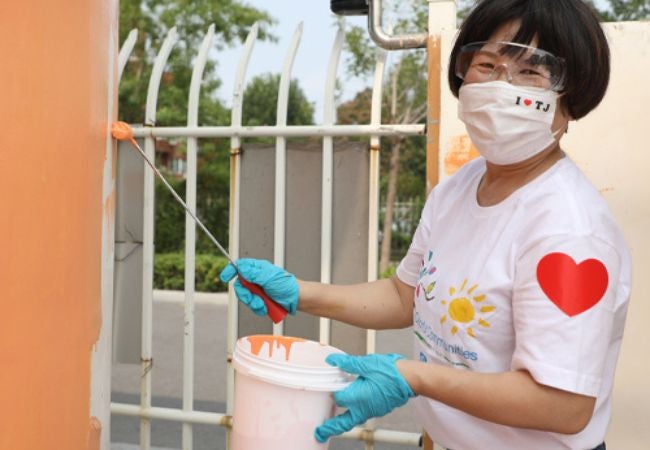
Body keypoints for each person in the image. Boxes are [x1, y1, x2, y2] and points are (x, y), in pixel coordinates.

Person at [219, 0, 631, 448]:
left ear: (572, 100)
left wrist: (412, 377)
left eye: (530, 73)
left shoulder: (570, 231)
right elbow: (405, 296)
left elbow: (563, 405)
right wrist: (300, 292)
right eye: (487, 63)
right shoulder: (459, 188)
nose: (499, 85)